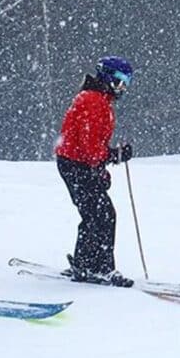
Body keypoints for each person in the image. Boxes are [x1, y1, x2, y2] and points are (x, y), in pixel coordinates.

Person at [55, 56, 136, 287]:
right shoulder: (93, 101)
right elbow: (90, 145)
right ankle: (98, 267)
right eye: (120, 82)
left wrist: (102, 167)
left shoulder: (99, 99)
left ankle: (86, 262)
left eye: (127, 84)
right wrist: (112, 156)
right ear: (108, 78)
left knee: (96, 213)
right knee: (101, 214)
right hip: (75, 163)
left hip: (78, 163)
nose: (123, 89)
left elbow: (93, 146)